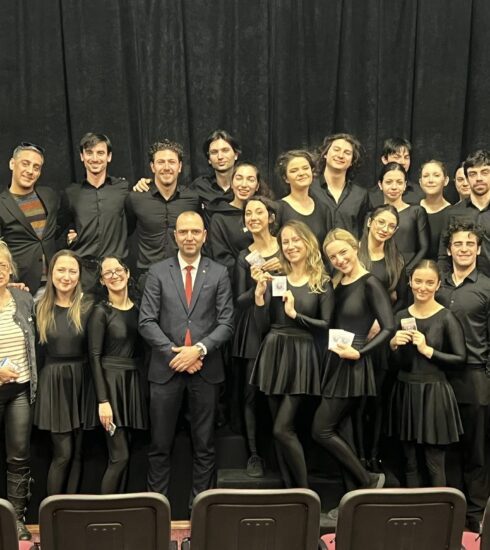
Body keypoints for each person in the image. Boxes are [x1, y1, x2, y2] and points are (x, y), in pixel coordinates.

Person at [139, 211, 234, 509]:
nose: (189, 237)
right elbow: (146, 321)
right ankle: (157, 511)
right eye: (183, 232)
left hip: (206, 370)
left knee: (205, 446)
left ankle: (200, 513)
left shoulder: (219, 272)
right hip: (166, 370)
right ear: (175, 236)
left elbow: (227, 323)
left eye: (195, 231)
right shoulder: (157, 272)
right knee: (159, 446)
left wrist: (199, 350)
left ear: (204, 236)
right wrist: (177, 354)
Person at [312, 229, 394, 516]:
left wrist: (361, 352)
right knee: (343, 433)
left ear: (356, 247)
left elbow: (389, 327)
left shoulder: (371, 282)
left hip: (353, 364)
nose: (339, 259)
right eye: (333, 256)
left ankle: (368, 480)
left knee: (321, 430)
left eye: (343, 252)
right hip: (335, 361)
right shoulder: (337, 283)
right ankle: (353, 502)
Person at [251, 220, 334, 488]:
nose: (290, 246)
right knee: (278, 429)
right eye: (285, 242)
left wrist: (296, 315)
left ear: (307, 242)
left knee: (282, 428)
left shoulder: (322, 282)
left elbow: (326, 326)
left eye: (295, 240)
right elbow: (262, 327)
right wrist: (259, 298)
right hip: (274, 352)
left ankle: (305, 493)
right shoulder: (277, 280)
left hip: (302, 356)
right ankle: (290, 492)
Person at [388, 259, 466, 487]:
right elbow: (394, 365)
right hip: (405, 392)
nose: (423, 287)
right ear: (410, 282)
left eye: (429, 282)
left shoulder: (446, 317)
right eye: (418, 281)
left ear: (438, 285)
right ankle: (413, 508)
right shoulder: (400, 316)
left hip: (435, 394)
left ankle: (441, 510)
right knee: (410, 462)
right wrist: (392, 345)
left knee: (434, 462)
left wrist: (427, 350)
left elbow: (460, 360)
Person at [437, 222, 490, 533]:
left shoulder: (487, 287)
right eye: (458, 244)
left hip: (474, 376)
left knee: (476, 450)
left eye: (470, 244)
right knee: (445, 449)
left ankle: (476, 517)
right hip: (438, 376)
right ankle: (449, 515)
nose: (464, 248)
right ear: (449, 249)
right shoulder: (436, 285)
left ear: (479, 249)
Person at [85, 256, 148, 493]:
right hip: (110, 388)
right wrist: (103, 401)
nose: (114, 275)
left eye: (118, 270)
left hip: (132, 385)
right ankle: (104, 511)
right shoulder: (100, 312)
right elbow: (94, 357)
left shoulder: (140, 308)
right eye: (107, 273)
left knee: (127, 455)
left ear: (128, 273)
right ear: (102, 280)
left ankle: (119, 509)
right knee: (119, 457)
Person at [34, 250, 93, 495]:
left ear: (79, 276)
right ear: (51, 273)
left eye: (72, 271)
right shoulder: (39, 307)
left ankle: (71, 509)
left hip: (82, 381)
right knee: (63, 454)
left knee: (78, 454)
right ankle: (52, 510)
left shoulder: (88, 307)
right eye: (61, 270)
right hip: (54, 382)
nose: (66, 276)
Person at [233, 196, 282, 476]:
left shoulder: (286, 246)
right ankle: (253, 454)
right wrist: (257, 285)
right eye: (248, 213)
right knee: (251, 394)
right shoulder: (244, 256)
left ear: (270, 217)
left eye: (258, 212)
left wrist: (281, 269)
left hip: (283, 325)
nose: (253, 217)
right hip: (253, 328)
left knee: (279, 392)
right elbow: (239, 300)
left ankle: (282, 452)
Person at [356, 205, 407, 470]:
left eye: (391, 226)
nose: (384, 229)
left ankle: (374, 455)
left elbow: (402, 301)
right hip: (355, 335)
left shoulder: (395, 259)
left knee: (377, 401)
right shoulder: (354, 252)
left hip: (381, 339)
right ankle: (358, 455)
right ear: (369, 222)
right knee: (357, 401)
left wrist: (383, 321)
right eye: (381, 222)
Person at [59, 133, 130, 291]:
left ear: (109, 156)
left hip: (115, 270)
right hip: (84, 273)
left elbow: (131, 222)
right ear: (82, 156)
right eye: (89, 153)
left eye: (100, 153)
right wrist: (69, 239)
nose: (95, 158)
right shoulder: (71, 193)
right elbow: (59, 229)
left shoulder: (123, 189)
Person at [125, 139, 200, 289]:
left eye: (172, 162)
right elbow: (125, 230)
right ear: (152, 167)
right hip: (148, 276)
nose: (166, 167)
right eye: (161, 162)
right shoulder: (136, 198)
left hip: (184, 276)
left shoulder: (193, 198)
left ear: (180, 166)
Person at [0, 241, 36, 540]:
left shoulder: (22, 298)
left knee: (19, 457)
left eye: (2, 265)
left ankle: (17, 520)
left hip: (20, 391)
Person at [0, 142, 60, 299]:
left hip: (55, 287)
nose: (30, 171)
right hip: (20, 288)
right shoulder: (1, 204)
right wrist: (7, 282)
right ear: (12, 164)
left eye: (36, 167)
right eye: (25, 164)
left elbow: (59, 228)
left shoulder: (49, 196)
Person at [209, 162, 270, 277]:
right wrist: (247, 273)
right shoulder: (219, 218)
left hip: (269, 276)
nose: (244, 184)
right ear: (231, 184)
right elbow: (221, 258)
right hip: (237, 280)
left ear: (257, 186)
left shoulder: (267, 213)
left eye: (250, 179)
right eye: (239, 178)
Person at [438, 149, 490, 277]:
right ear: (467, 178)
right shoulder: (452, 213)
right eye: (472, 174)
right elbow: (443, 257)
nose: (479, 178)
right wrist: (445, 283)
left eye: (485, 172)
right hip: (462, 285)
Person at [310, 134, 370, 239]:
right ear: (325, 154)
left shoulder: (360, 195)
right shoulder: (309, 188)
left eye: (347, 153)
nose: (341, 155)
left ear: (352, 161)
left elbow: (364, 233)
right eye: (336, 150)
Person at [378, 162, 429, 273]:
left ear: (405, 185)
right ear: (380, 184)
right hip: (380, 272)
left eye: (399, 182)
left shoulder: (416, 211)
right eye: (389, 182)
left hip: (409, 272)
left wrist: (406, 272)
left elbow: (424, 248)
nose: (394, 187)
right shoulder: (373, 215)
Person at [276, 149, 332, 248]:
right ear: (286, 178)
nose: (301, 173)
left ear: (312, 172)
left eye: (305, 168)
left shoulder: (324, 209)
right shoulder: (278, 208)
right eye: (294, 171)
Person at [190, 129, 242, 222]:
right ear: (209, 159)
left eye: (225, 150)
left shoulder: (246, 185)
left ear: (236, 155)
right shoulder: (200, 186)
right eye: (214, 152)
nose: (220, 157)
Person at [369, 138, 424, 207]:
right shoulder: (370, 196)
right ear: (384, 160)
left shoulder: (419, 193)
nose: (403, 162)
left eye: (406, 157)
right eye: (397, 157)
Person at [418, 159, 451, 260]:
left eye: (436, 175)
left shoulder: (453, 213)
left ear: (446, 180)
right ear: (420, 182)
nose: (430, 180)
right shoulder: (412, 209)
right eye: (426, 176)